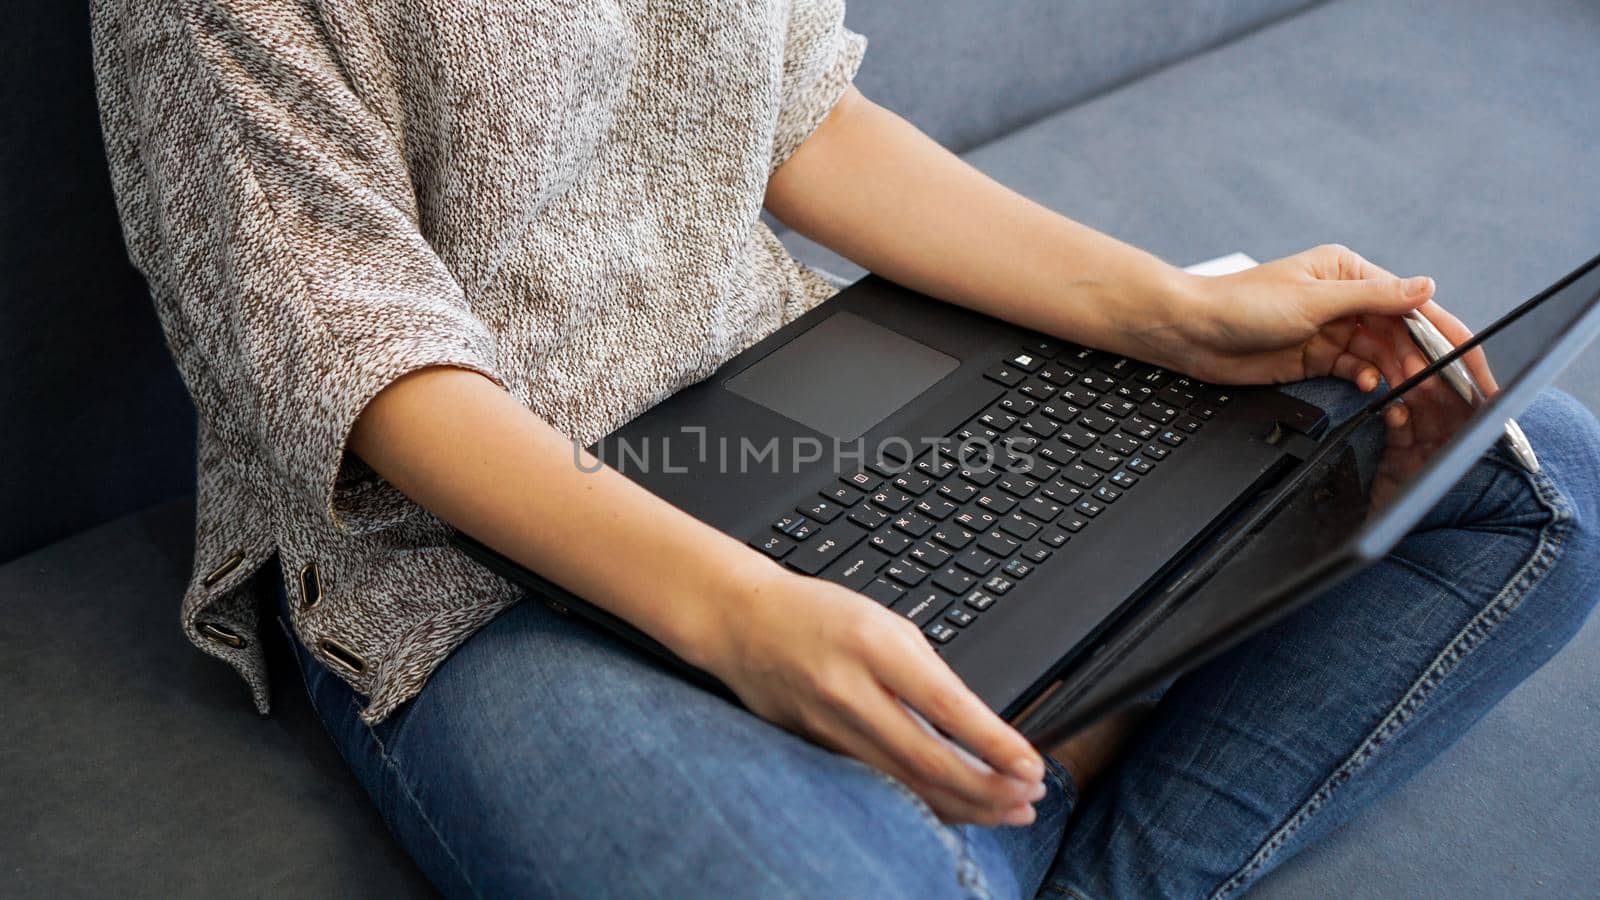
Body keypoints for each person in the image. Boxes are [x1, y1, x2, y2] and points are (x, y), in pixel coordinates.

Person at [92, 0, 1600, 896]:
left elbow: (795, 116)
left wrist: (1168, 314)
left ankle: (1004, 802)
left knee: (1531, 482)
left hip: (813, 382)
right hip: (476, 552)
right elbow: (355, 359)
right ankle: (1037, 761)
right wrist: (742, 618)